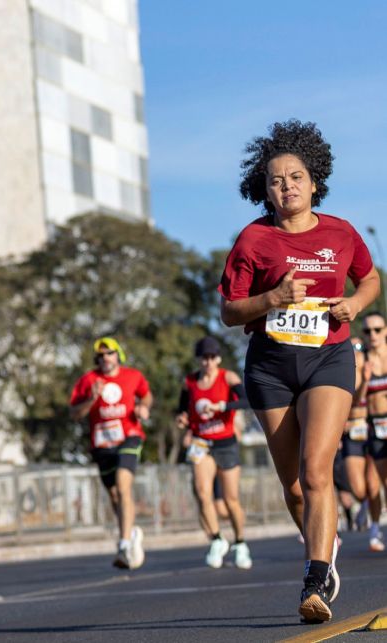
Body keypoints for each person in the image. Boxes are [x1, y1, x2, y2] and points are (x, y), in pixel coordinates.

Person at [219, 120, 381, 623]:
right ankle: (324, 547)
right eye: (274, 180)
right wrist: (273, 298)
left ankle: (314, 577)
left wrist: (354, 303)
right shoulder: (253, 240)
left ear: (314, 182)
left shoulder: (341, 232)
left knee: (316, 470)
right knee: (293, 486)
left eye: (295, 177)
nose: (285, 186)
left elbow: (369, 278)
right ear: (262, 187)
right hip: (270, 368)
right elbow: (229, 310)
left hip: (328, 358)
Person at [70, 337, 153, 570]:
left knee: (123, 485)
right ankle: (130, 531)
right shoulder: (88, 380)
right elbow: (75, 414)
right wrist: (91, 398)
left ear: (118, 355)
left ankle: (124, 543)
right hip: (102, 443)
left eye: (110, 353)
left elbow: (146, 394)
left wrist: (143, 407)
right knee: (114, 495)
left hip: (129, 435)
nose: (106, 358)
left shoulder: (133, 376)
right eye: (101, 355)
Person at [176, 336, 252, 569]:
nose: (208, 362)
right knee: (202, 492)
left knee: (230, 499)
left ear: (217, 358)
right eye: (203, 358)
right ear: (198, 360)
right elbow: (182, 409)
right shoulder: (189, 382)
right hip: (202, 443)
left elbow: (247, 400)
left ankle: (240, 542)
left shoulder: (227, 377)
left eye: (211, 358)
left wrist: (223, 406)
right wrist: (182, 420)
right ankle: (218, 539)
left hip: (226, 443)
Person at [340, 337, 374, 540]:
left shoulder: (370, 367)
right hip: (351, 431)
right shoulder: (341, 369)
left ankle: (374, 519)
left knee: (373, 481)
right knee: (358, 489)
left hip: (369, 428)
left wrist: (367, 379)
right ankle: (367, 504)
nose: (356, 351)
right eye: (351, 347)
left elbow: (364, 398)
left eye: (359, 347)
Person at [364, 313, 387, 548]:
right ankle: (375, 528)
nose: (373, 335)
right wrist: (364, 380)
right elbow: (357, 399)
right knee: (376, 484)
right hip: (375, 426)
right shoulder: (362, 360)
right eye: (368, 331)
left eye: (377, 330)